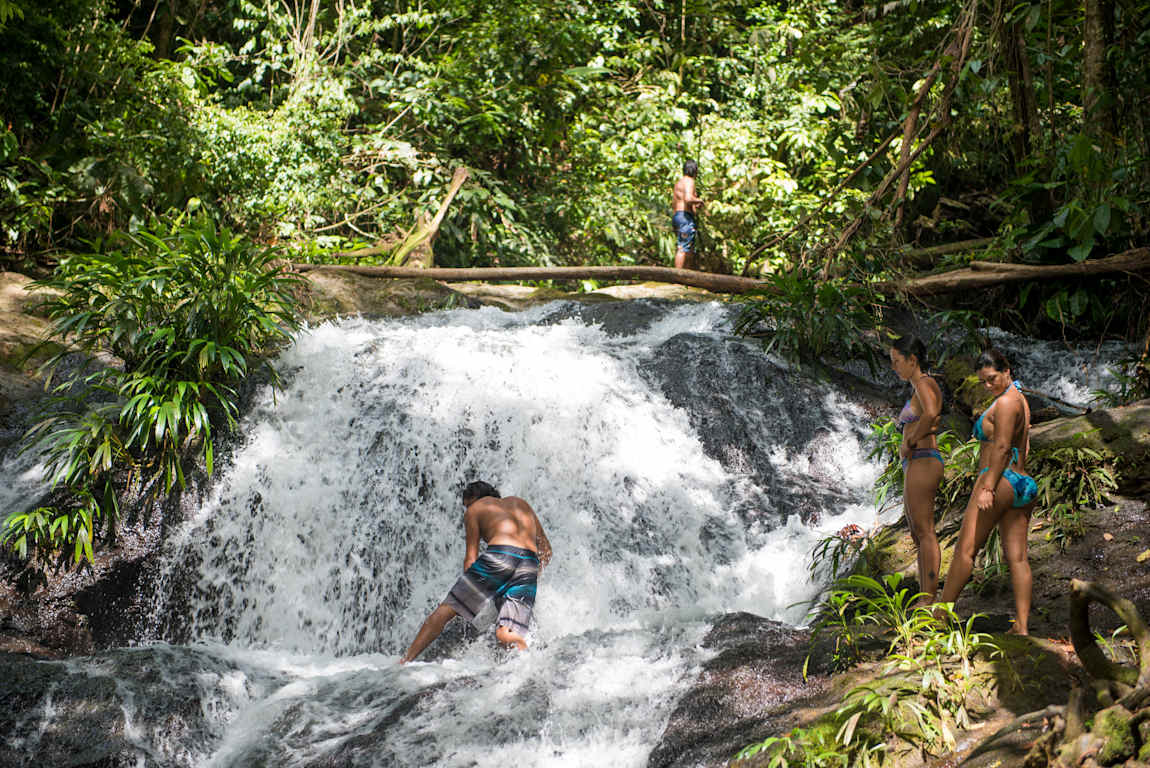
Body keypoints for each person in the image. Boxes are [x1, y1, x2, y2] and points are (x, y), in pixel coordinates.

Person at [939, 349, 1038, 635]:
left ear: (1006, 370)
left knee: (965, 551)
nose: (988, 385)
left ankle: (940, 616)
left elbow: (1003, 446)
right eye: (983, 381)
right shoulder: (1019, 398)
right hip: (1022, 483)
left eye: (992, 378)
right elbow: (1024, 445)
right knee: (1017, 557)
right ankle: (1021, 626)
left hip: (1000, 480)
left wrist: (988, 487)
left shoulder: (1007, 402)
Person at [400, 481, 553, 663]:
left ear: (472, 499)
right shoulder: (521, 504)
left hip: (500, 555)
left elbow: (470, 559)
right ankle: (533, 664)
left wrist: (468, 596)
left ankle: (404, 661)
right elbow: (546, 549)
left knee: (446, 610)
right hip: (529, 564)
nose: (467, 509)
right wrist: (532, 576)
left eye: (467, 505)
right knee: (506, 633)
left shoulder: (475, 509)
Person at [889, 336, 944, 605]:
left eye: (897, 361)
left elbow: (932, 414)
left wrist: (910, 440)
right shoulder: (917, 387)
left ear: (912, 360)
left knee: (925, 532)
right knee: (917, 533)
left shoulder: (924, 383)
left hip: (923, 457)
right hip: (916, 461)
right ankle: (925, 596)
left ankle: (928, 601)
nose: (894, 367)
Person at [671, 159, 704, 269]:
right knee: (683, 248)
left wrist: (695, 206)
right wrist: (699, 201)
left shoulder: (679, 183)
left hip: (678, 216)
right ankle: (678, 276)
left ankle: (686, 276)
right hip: (684, 217)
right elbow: (688, 199)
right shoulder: (689, 181)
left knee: (688, 248)